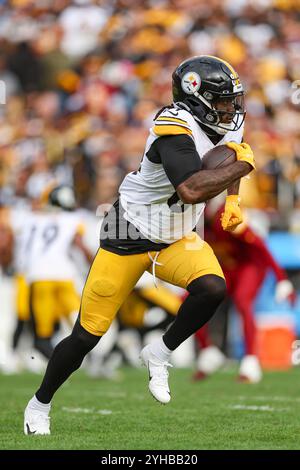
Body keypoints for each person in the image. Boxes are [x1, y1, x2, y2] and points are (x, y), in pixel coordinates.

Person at [24, 55, 255, 435]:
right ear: (196, 98)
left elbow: (232, 153)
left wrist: (233, 198)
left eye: (232, 100)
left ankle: (159, 353)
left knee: (212, 288)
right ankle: (39, 404)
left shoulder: (228, 122)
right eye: (222, 100)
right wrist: (243, 167)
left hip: (175, 236)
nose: (230, 109)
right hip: (127, 233)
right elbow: (193, 188)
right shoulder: (173, 127)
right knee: (87, 335)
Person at [193, 205, 296, 383]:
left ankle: (250, 360)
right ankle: (208, 351)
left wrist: (281, 278)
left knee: (242, 300)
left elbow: (259, 246)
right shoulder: (192, 222)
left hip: (249, 266)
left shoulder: (225, 215)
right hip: (226, 267)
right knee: (191, 299)